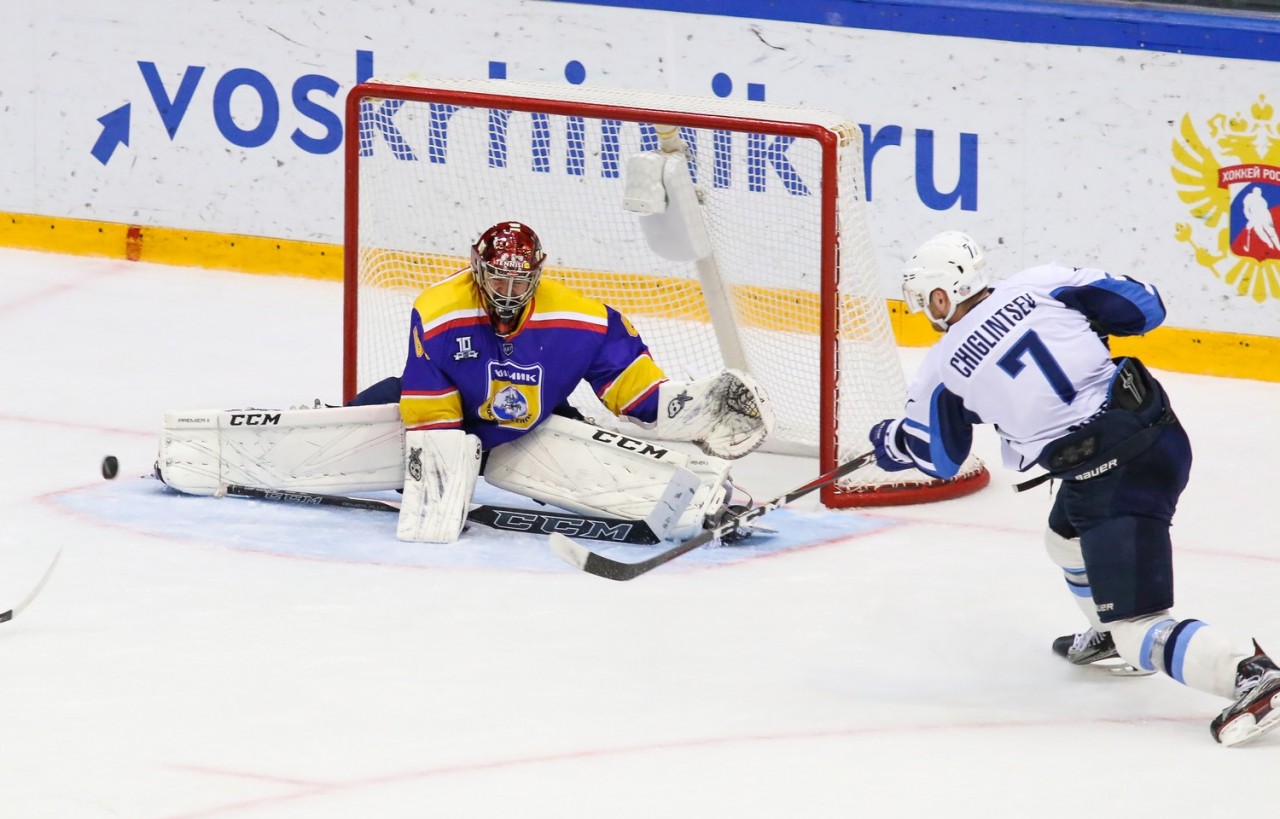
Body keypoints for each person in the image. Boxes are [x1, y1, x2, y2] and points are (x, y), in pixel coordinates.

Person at [867, 230, 1280, 747]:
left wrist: (893, 441)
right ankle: (1105, 630)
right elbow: (1146, 307)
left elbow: (939, 457)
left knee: (1140, 629)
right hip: (1161, 434)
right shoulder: (1042, 282)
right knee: (1062, 540)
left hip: (1111, 479)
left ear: (941, 294)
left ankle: (1248, 673)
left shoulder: (941, 367)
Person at [352, 221, 775, 544]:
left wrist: (690, 411)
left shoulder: (582, 320)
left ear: (539, 273)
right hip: (450, 417)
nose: (508, 291)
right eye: (498, 279)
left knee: (600, 468)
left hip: (533, 426)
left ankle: (713, 496)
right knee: (353, 422)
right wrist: (444, 475)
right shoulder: (438, 310)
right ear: (477, 268)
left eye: (520, 281)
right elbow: (428, 401)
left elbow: (635, 390)